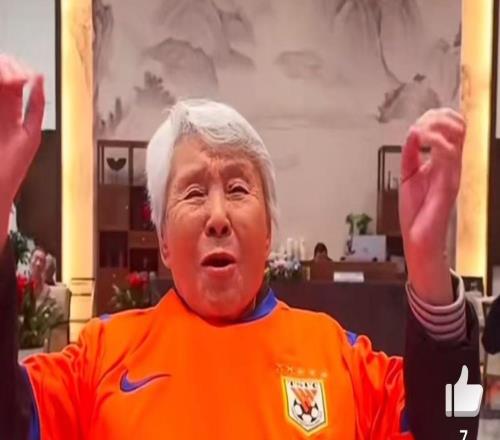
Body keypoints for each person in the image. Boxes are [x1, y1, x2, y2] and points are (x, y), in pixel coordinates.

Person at [0, 55, 480, 439]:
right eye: (193, 193)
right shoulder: (102, 356)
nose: (218, 216)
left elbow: (456, 425)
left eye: (237, 189)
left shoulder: (338, 357)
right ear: (163, 240)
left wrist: (427, 262)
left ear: (269, 232)